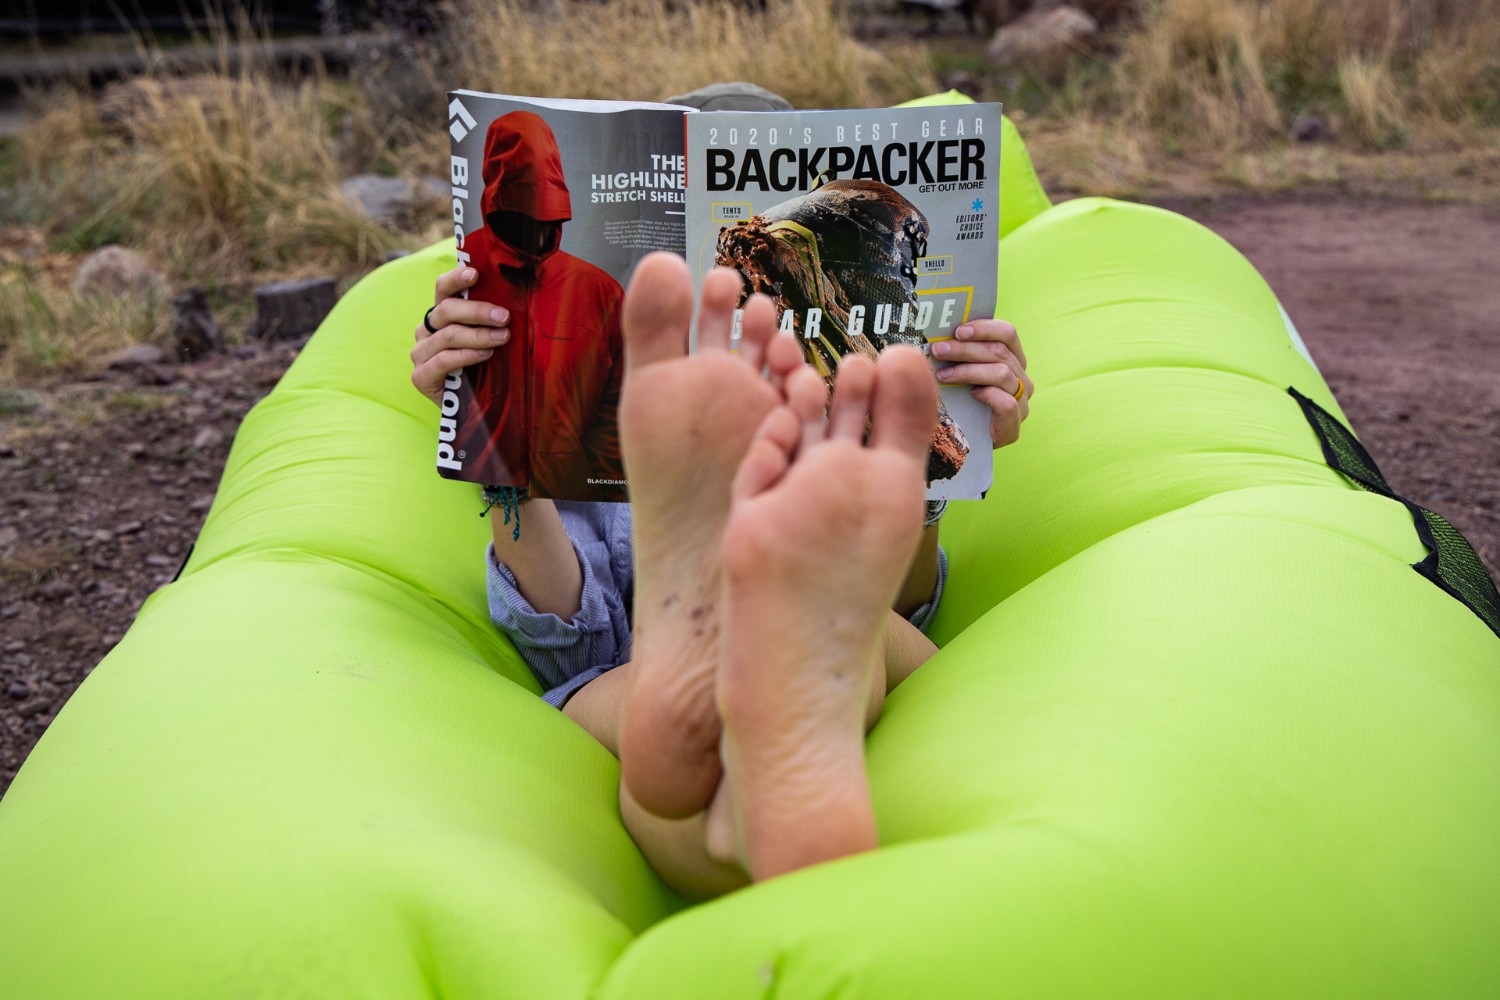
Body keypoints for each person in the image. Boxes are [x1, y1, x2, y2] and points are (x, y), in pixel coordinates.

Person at [412, 253, 1032, 896]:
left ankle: (748, 720)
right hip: (640, 660)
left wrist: (955, 425)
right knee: (833, 638)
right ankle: (751, 683)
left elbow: (904, 594)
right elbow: (566, 638)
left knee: (836, 629)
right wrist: (491, 436)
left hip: (803, 611)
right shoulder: (540, 339)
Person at [443, 109, 626, 501]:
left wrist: (606, 498)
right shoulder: (463, 271)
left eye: (547, 212)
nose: (537, 229)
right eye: (520, 212)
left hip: (580, 502)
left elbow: (616, 414)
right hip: (481, 500)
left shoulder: (599, 291)